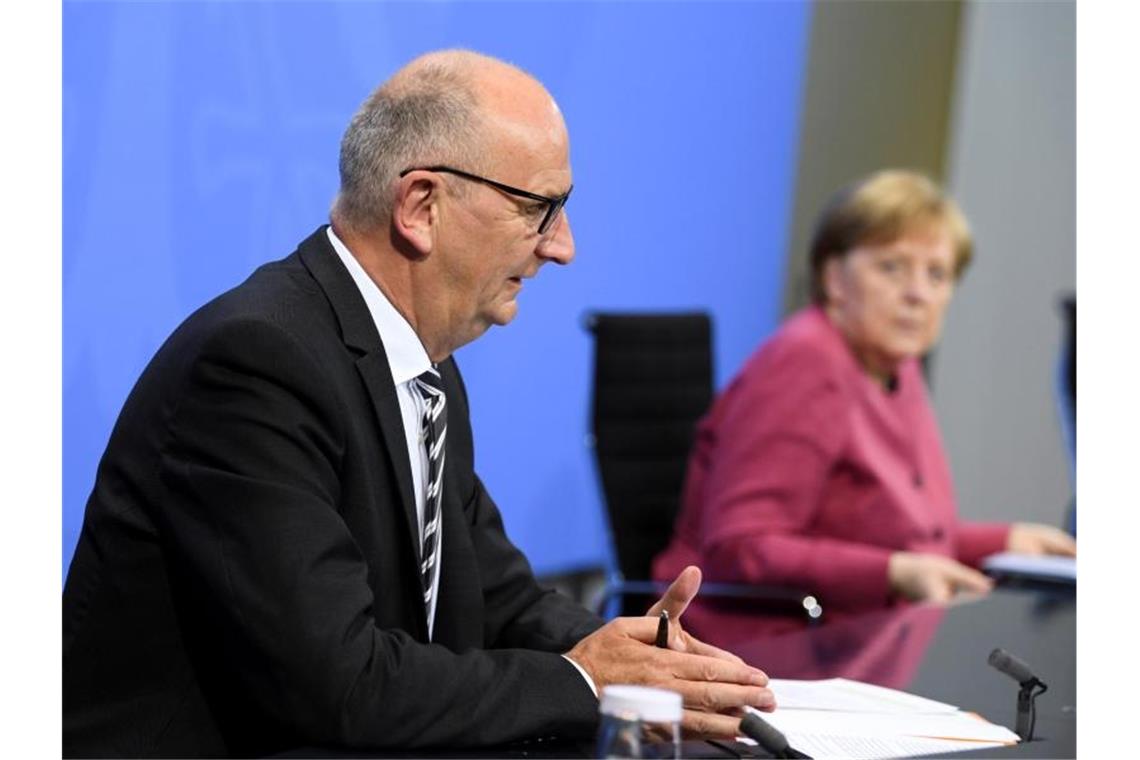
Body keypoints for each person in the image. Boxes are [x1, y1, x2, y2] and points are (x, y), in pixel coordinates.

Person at [62, 50, 775, 758]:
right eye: (540, 208)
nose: (562, 248)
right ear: (420, 206)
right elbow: (339, 686)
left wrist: (643, 660)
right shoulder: (257, 364)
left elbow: (500, 598)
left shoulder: (424, 367)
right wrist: (585, 680)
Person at [653, 170, 1075, 619]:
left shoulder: (896, 365)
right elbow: (741, 548)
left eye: (937, 275)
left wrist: (1007, 543)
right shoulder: (806, 361)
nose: (918, 294)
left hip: (853, 638)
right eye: (892, 267)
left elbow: (904, 536)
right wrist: (894, 573)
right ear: (834, 277)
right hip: (760, 643)